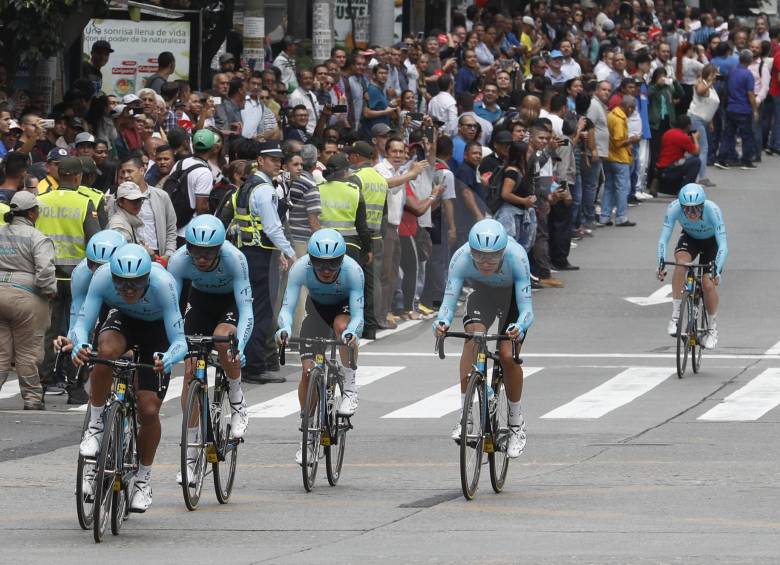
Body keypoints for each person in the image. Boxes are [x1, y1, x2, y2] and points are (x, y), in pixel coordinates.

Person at [71, 244, 188, 512]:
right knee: (104, 353)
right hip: (123, 320)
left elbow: (179, 340)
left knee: (148, 410)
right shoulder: (101, 277)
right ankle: (97, 425)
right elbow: (81, 323)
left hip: (156, 330)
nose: (128, 290)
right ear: (112, 277)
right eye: (122, 284)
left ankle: (143, 478)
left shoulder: (164, 284)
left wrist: (168, 358)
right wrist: (79, 344)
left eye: (135, 284)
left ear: (147, 278)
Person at [433, 219, 533, 458]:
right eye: (479, 256)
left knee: (507, 355)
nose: (486, 262)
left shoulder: (516, 257)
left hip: (512, 300)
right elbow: (448, 302)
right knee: (473, 337)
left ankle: (516, 423)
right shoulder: (461, 258)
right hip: (483, 295)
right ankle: (465, 418)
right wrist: (442, 322)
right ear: (471, 251)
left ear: (503, 252)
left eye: (492, 257)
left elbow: (527, 308)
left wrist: (519, 326)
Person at [167, 215, 253, 485]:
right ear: (188, 248)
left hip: (230, 303)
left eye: (208, 253)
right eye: (196, 252)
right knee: (191, 371)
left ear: (219, 248)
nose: (202, 259)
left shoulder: (235, 259)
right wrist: (174, 342)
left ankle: (237, 399)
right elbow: (171, 305)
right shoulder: (179, 260)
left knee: (222, 338)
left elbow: (248, 308)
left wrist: (243, 345)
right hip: (199, 303)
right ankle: (191, 457)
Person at [275, 229, 364, 465]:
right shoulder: (300, 268)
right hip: (316, 314)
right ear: (311, 260)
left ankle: (350, 387)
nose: (325, 271)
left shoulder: (353, 271)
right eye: (320, 265)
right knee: (307, 371)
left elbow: (358, 316)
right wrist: (283, 328)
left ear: (341, 261)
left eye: (332, 265)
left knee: (341, 325)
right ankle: (307, 428)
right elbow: (287, 306)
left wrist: (351, 334)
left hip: (344, 312)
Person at [228, 141, 296, 383]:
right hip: (260, 256)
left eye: (279, 159)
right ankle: (254, 366)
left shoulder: (246, 186)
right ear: (260, 160)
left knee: (247, 308)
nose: (278, 163)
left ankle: (244, 360)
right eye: (272, 159)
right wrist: (289, 252)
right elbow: (272, 227)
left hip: (246, 251)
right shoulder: (265, 190)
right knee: (261, 311)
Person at [36, 156, 100, 396]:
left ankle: (43, 382)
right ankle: (75, 386)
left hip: (47, 275)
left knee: (47, 331)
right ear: (77, 177)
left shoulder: (40, 200)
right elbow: (95, 239)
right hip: (78, 277)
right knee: (80, 328)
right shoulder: (85, 203)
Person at [0, 192, 56, 410]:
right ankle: (32, 398)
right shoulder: (37, 237)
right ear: (32, 212)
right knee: (28, 351)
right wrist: (48, 291)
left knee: (1, 352)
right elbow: (44, 271)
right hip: (26, 297)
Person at [657, 184, 727, 349]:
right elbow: (663, 239)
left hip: (712, 244)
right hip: (691, 238)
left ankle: (711, 328)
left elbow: (723, 244)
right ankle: (675, 316)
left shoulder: (713, 210)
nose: (691, 214)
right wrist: (660, 263)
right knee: (680, 264)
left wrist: (717, 268)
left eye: (696, 209)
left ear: (703, 205)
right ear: (680, 206)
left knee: (707, 283)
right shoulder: (673, 208)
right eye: (687, 210)